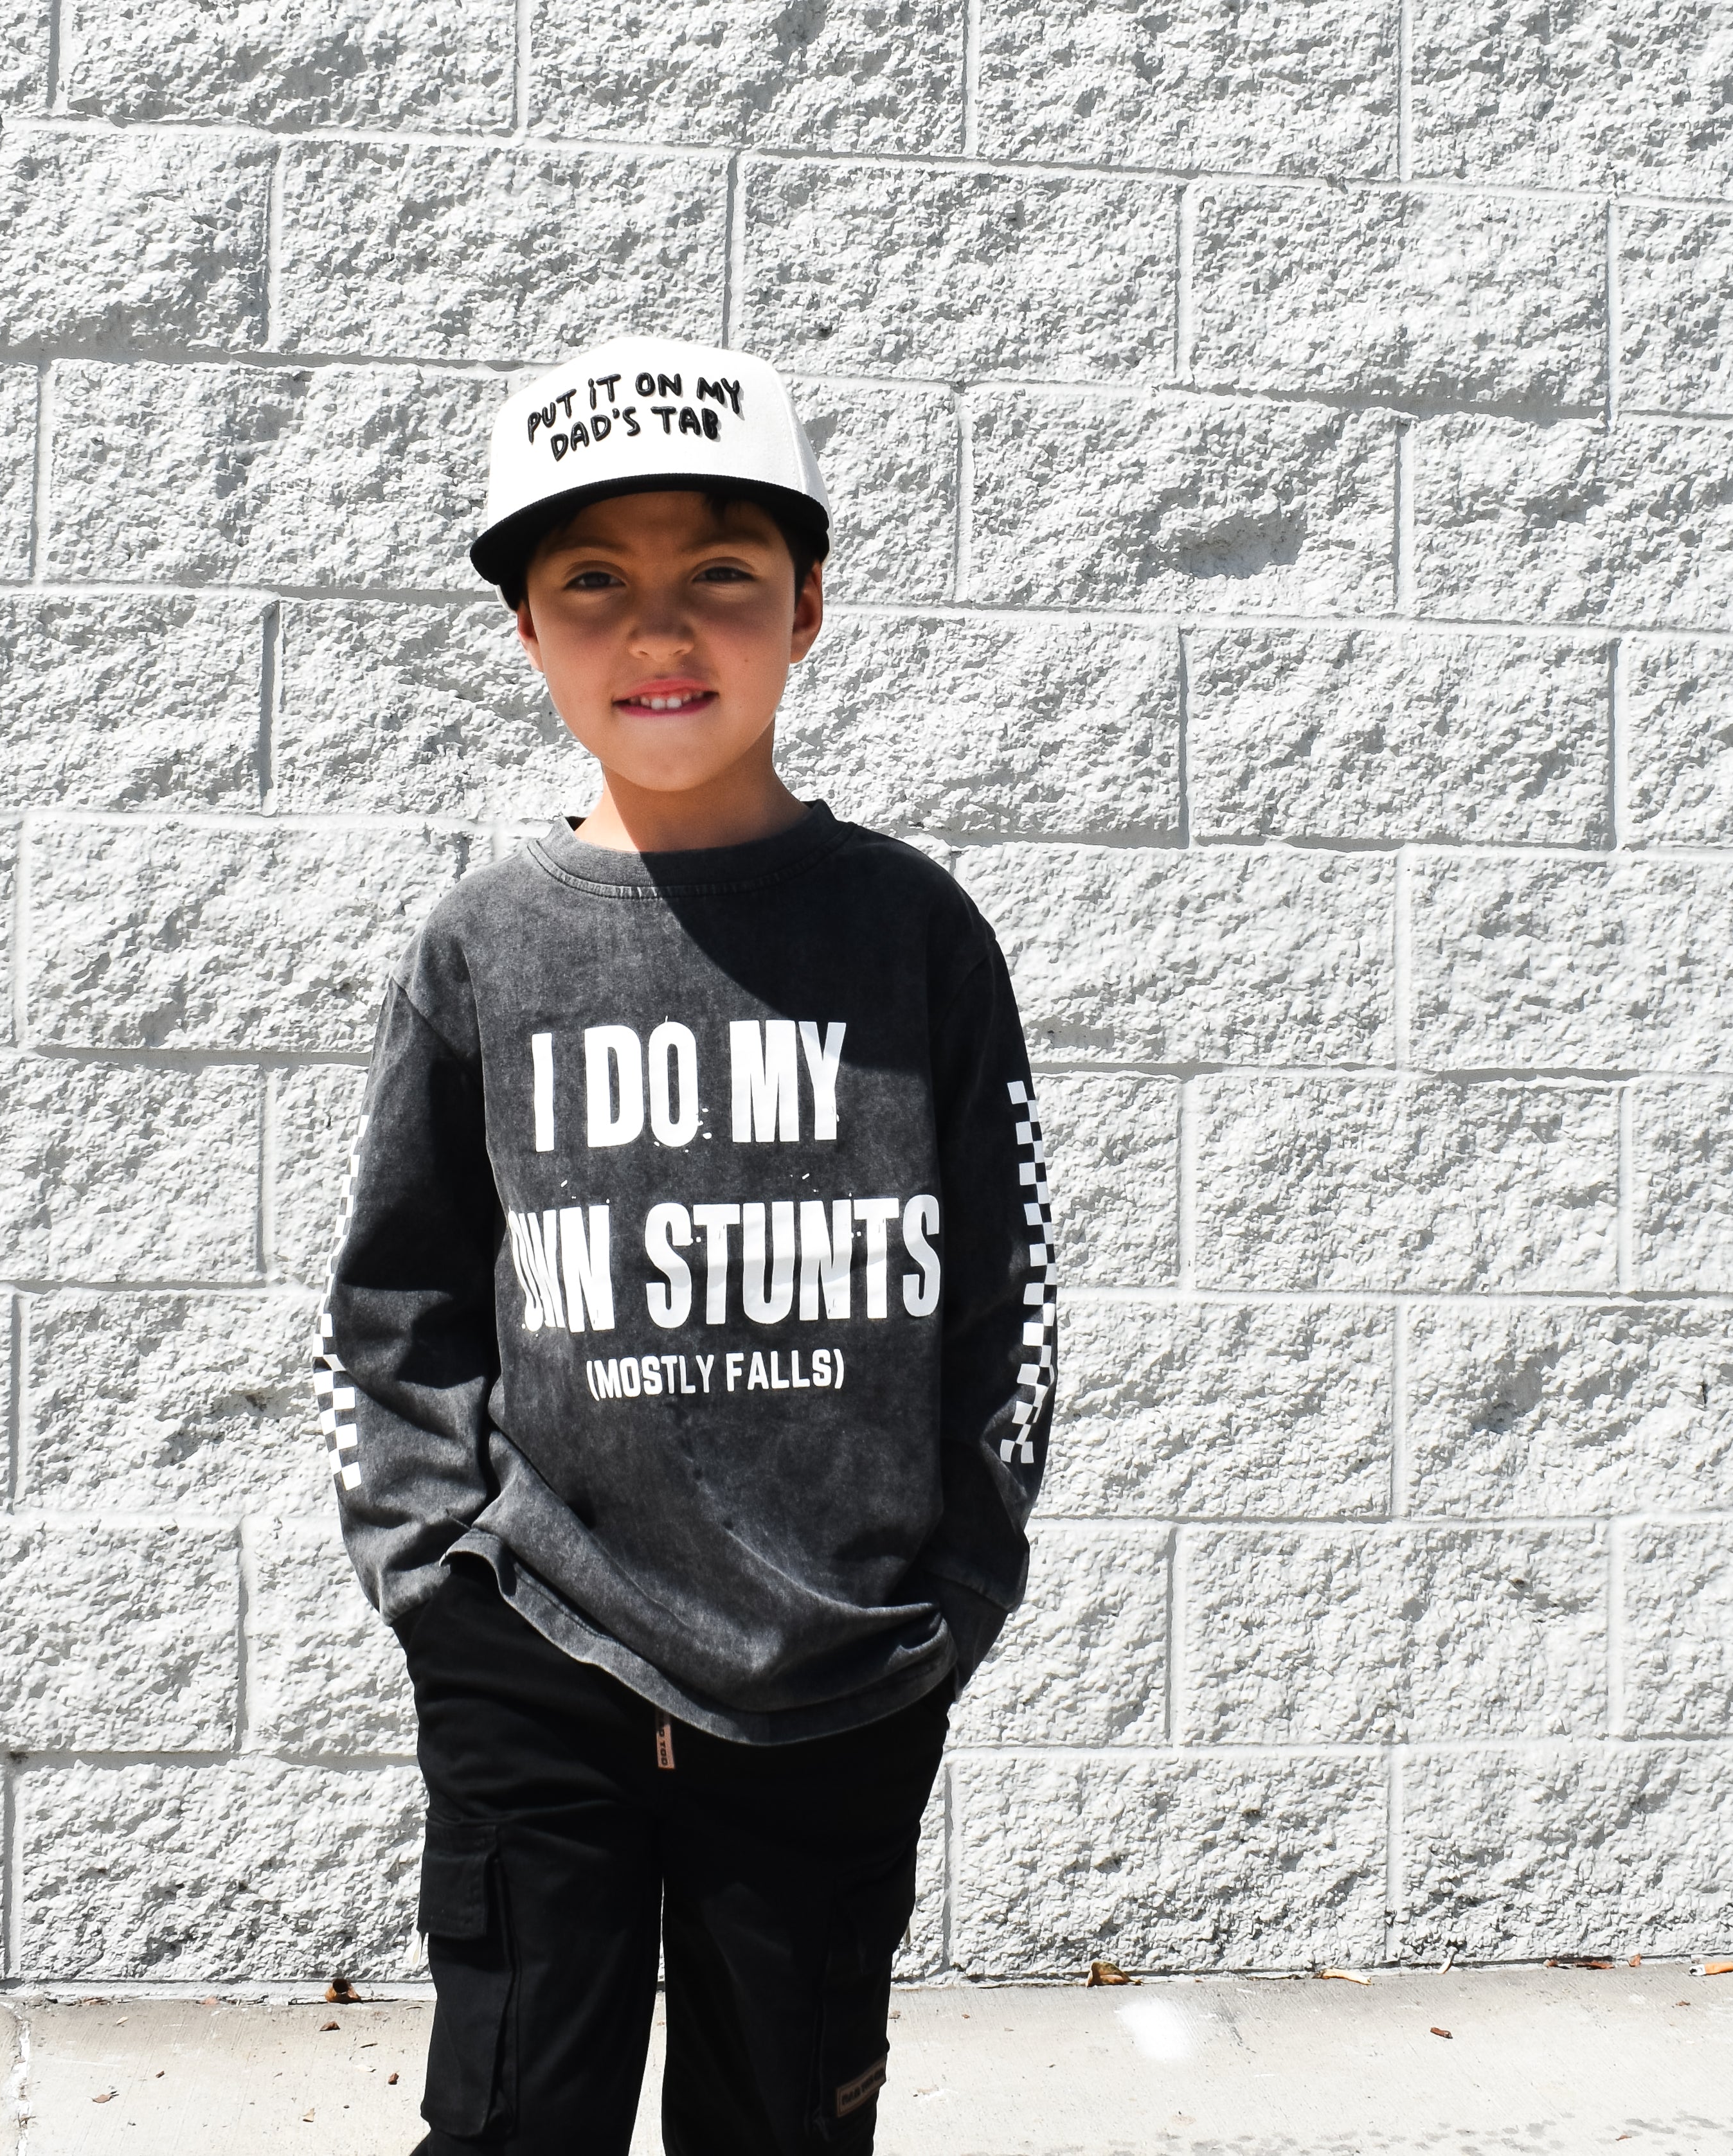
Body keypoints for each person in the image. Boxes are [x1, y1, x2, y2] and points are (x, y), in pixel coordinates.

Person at [316, 334, 1054, 2155]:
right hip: (536, 1659)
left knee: (787, 2121)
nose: (661, 632)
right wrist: (434, 1580)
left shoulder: (912, 932)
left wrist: (951, 1592)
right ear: (528, 635)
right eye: (595, 585)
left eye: (719, 578)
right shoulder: (484, 943)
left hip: (838, 1671)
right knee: (511, 2118)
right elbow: (395, 1295)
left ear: (804, 609)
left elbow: (1006, 1286)